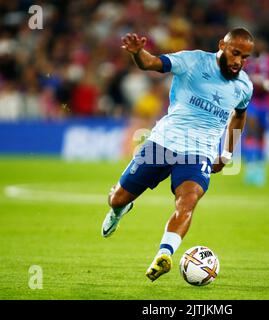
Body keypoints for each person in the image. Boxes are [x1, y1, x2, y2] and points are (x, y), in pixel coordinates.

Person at [100, 28, 254, 282]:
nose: (239, 61)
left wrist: (226, 153)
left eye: (245, 57)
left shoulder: (243, 86)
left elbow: (239, 115)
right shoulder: (193, 61)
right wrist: (138, 53)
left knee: (188, 199)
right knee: (117, 198)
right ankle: (119, 210)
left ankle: (164, 254)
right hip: (164, 142)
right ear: (222, 46)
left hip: (199, 152)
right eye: (235, 53)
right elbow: (152, 62)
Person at [242, 39, 269, 186]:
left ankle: (259, 167)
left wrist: (268, 83)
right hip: (251, 100)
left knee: (261, 133)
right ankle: (250, 165)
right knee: (251, 130)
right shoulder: (247, 62)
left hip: (266, 102)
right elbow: (237, 76)